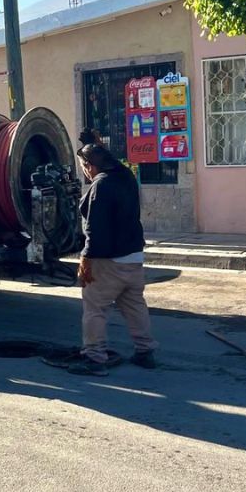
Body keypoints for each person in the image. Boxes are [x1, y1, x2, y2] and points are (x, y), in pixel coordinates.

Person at [63, 142, 158, 376]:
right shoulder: (126, 176)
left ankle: (95, 357)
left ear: (89, 166)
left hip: (109, 261)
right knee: (135, 305)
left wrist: (85, 258)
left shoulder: (101, 185)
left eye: (84, 167)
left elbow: (95, 228)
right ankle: (145, 352)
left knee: (95, 308)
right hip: (134, 257)